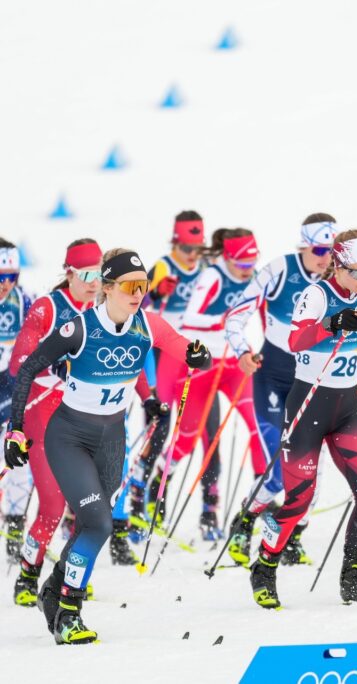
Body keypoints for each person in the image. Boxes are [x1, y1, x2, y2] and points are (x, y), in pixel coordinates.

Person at [3, 248, 210, 644]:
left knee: (88, 525)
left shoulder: (148, 326)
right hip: (69, 436)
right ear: (108, 288)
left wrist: (197, 355)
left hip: (113, 439)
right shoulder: (79, 328)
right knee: (99, 522)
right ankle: (67, 612)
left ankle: (55, 586)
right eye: (130, 287)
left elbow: (186, 348)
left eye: (143, 287)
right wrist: (14, 431)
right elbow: (28, 368)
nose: (138, 294)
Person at [248, 229, 357, 609]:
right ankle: (264, 567)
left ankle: (352, 578)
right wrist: (332, 324)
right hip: (308, 405)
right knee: (297, 501)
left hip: (347, 407)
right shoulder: (316, 294)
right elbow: (296, 341)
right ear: (338, 265)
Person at [224, 214, 337, 565]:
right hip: (274, 377)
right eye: (320, 249)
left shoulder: (338, 280)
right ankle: (244, 521)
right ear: (304, 246)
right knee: (277, 471)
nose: (326, 258)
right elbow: (235, 316)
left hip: (314, 382)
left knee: (311, 472)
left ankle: (291, 537)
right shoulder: (279, 270)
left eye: (332, 250)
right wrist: (242, 351)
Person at [148, 229, 267, 531]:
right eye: (241, 264)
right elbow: (190, 318)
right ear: (228, 258)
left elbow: (266, 314)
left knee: (259, 427)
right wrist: (221, 320)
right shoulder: (211, 277)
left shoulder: (255, 278)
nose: (247, 270)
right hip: (203, 362)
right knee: (187, 439)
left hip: (234, 362)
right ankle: (156, 483)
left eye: (252, 263)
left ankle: (259, 501)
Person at [10, 240, 104, 607]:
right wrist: (54, 365)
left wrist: (148, 396)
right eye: (86, 275)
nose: (95, 282)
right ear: (68, 272)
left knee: (89, 506)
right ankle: (28, 573)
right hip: (44, 418)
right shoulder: (49, 308)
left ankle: (68, 571)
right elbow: (20, 363)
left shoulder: (102, 308)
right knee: (52, 506)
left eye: (100, 274)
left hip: (86, 419)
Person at [129, 211, 219, 535]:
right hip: (163, 355)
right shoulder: (163, 266)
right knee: (160, 431)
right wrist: (156, 292)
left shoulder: (209, 269)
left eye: (197, 248)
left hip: (195, 357)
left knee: (207, 431)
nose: (192, 255)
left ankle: (207, 512)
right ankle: (138, 504)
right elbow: (134, 308)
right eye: (186, 248)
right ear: (175, 242)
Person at [0, 239, 33, 558]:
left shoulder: (23, 301)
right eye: (0, 277)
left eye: (12, 276)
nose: (6, 284)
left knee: (17, 458)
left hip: (10, 388)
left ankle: (14, 525)